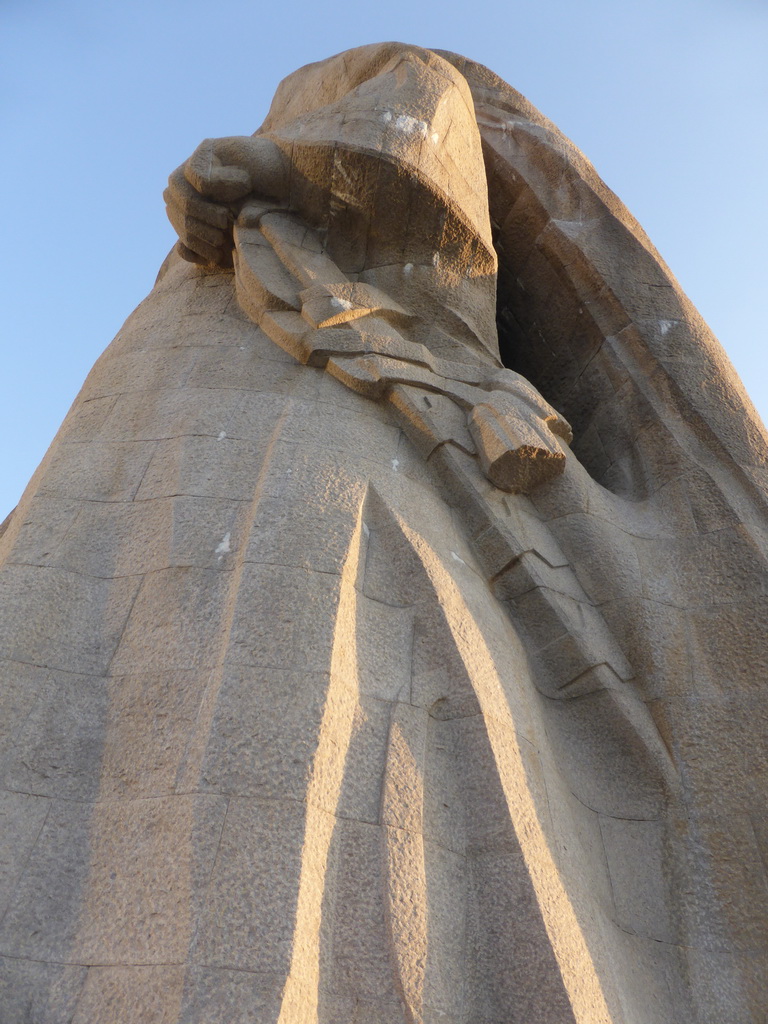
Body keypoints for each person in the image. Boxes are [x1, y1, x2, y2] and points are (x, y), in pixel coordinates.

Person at [2, 43, 768, 1024]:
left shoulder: (383, 71)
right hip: (202, 382)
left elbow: (421, 130)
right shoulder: (214, 270)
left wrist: (283, 166)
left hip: (313, 397)